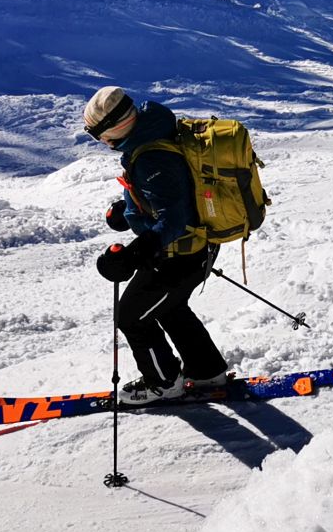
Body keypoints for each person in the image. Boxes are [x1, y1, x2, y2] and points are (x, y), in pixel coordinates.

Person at [82, 86, 232, 404]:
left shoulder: (152, 156)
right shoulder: (150, 134)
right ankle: (207, 371)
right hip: (194, 249)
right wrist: (129, 212)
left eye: (100, 135)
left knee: (132, 316)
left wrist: (135, 252)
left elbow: (174, 220)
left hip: (180, 255)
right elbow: (171, 194)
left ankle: (162, 383)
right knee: (170, 307)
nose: (102, 143)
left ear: (115, 127)